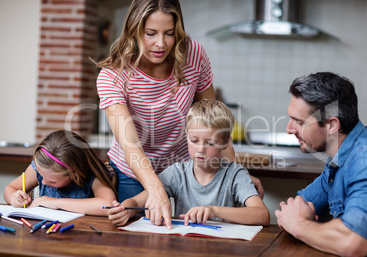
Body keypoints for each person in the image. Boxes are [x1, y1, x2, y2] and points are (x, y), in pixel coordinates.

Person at [96, 0, 263, 228]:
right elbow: (130, 144)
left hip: (187, 175)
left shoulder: (193, 54)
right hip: (133, 176)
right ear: (134, 31)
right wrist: (155, 189)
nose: (160, 44)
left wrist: (233, 174)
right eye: (151, 33)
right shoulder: (114, 75)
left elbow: (214, 122)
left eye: (170, 33)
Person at [275, 72, 367, 257]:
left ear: (332, 125)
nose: (289, 129)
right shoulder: (339, 159)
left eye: (299, 122)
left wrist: (300, 225)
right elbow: (292, 210)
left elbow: (354, 242)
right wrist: (298, 221)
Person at [106, 99, 270, 227]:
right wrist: (126, 210)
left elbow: (262, 215)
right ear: (186, 135)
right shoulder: (177, 173)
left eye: (210, 143)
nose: (200, 149)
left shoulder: (235, 175)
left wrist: (213, 210)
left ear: (226, 143)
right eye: (194, 140)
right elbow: (136, 202)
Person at [3, 130, 117, 216]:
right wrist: (13, 198)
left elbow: (108, 205)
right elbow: (10, 188)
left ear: (75, 173)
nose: (43, 181)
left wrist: (57, 203)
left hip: (82, 236)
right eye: (42, 176)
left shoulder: (92, 177)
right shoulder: (38, 170)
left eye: (52, 181)